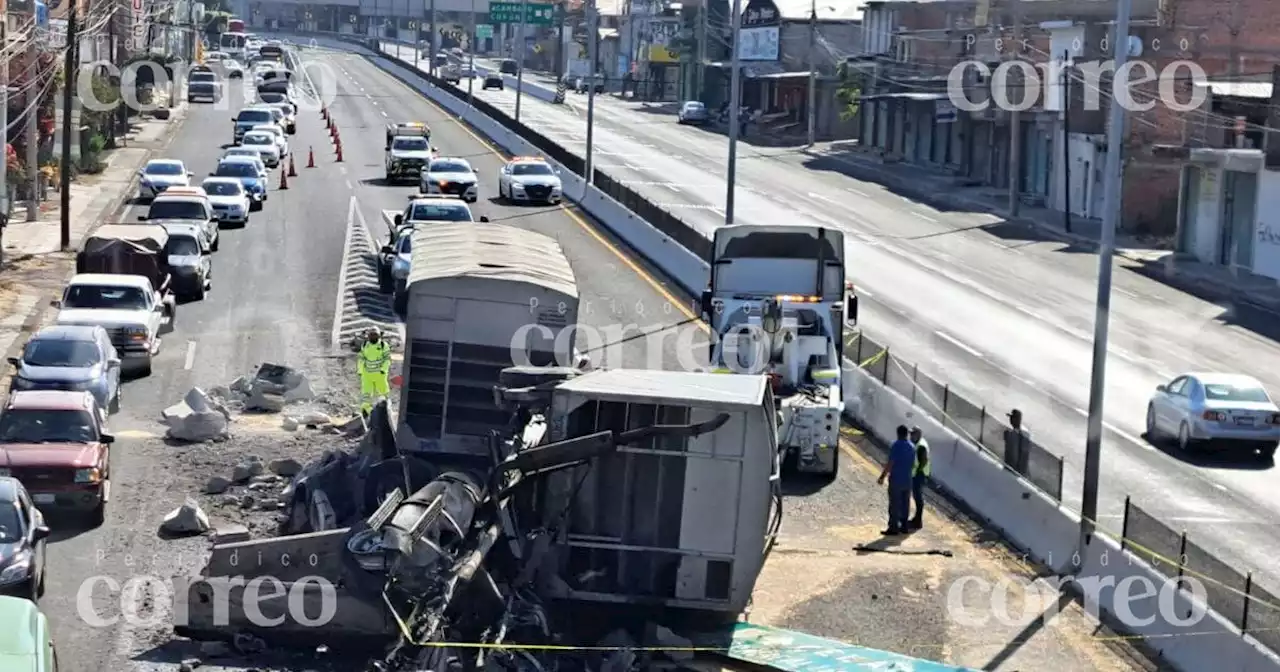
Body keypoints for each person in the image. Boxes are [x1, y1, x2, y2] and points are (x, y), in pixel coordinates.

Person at [877, 425, 917, 535]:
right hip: (907, 479)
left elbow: (890, 463)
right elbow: (913, 464)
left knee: (894, 504)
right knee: (905, 502)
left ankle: (893, 527)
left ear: (898, 433)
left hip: (896, 480)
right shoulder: (912, 446)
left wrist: (882, 477)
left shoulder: (896, 445)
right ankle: (904, 526)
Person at [358, 327, 392, 418]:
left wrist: (383, 370)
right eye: (371, 335)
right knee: (366, 394)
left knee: (383, 393)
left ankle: (386, 411)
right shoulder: (365, 345)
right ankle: (366, 411)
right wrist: (360, 370)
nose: (373, 337)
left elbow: (387, 359)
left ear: (378, 336)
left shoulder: (383, 345)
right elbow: (361, 358)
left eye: (374, 335)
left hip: (379, 375)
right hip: (367, 374)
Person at [908, 426, 930, 530]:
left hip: (919, 475)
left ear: (918, 435)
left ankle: (918, 521)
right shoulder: (918, 443)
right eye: (910, 434)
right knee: (917, 497)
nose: (910, 436)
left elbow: (924, 460)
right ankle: (916, 519)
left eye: (913, 434)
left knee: (918, 497)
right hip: (917, 474)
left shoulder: (921, 446)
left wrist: (917, 471)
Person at [1003, 409, 1030, 474]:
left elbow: (1013, 453)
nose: (1010, 420)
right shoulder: (1025, 433)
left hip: (1013, 469)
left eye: (1012, 418)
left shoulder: (1012, 434)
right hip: (1020, 470)